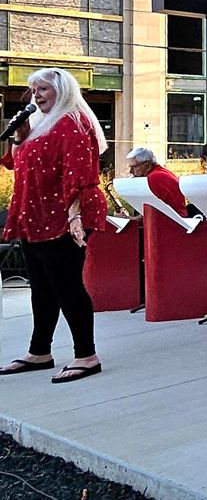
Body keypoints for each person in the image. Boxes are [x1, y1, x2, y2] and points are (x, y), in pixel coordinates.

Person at [0, 68, 106, 383]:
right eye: (33, 91)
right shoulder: (40, 124)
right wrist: (19, 135)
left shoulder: (72, 121)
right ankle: (39, 352)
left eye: (43, 89)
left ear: (62, 90)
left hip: (63, 216)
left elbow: (78, 172)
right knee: (42, 289)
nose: (37, 96)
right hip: (36, 215)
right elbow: (17, 163)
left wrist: (74, 216)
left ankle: (86, 356)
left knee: (67, 285)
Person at [126, 147, 187, 217]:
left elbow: (151, 211)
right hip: (175, 219)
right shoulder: (160, 172)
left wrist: (129, 219)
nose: (131, 171)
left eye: (135, 167)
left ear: (147, 164)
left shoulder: (154, 177)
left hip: (172, 222)